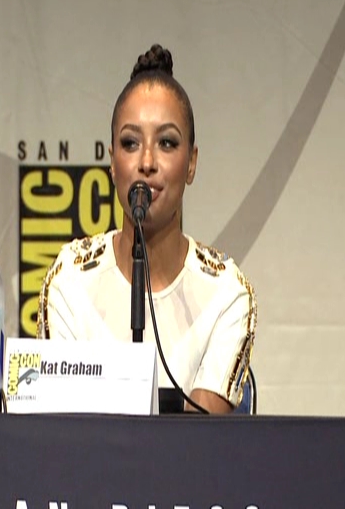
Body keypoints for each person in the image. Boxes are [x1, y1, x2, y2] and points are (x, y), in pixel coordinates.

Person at [37, 44, 256, 414]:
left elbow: (202, 441)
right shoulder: (69, 279)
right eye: (130, 143)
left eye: (167, 142)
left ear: (191, 163)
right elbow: (62, 433)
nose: (147, 162)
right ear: (112, 162)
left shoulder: (227, 293)